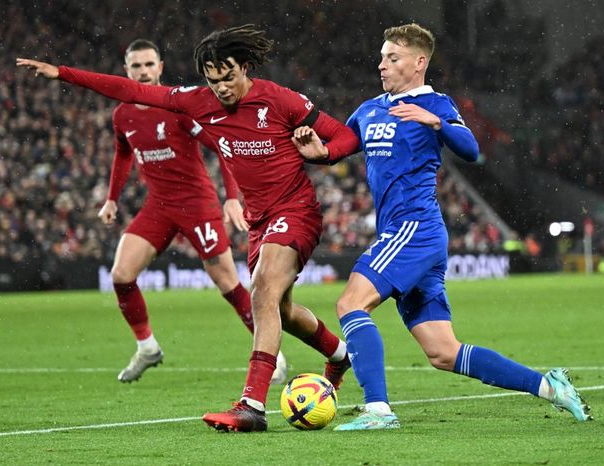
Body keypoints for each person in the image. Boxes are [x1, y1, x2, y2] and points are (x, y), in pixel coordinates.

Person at [18, 24, 359, 433]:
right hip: (259, 221)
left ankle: (252, 405)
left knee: (262, 292)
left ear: (245, 68)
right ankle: (340, 355)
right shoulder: (197, 102)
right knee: (280, 311)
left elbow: (345, 135)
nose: (221, 89)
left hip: (297, 209)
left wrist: (323, 154)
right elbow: (133, 92)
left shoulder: (279, 99)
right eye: (213, 81)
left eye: (228, 78)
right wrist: (65, 73)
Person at [295, 23, 592, 430]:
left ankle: (378, 410)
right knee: (443, 353)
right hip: (406, 236)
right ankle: (548, 386)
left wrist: (435, 122)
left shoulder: (437, 104)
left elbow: (471, 150)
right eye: (382, 56)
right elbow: (342, 147)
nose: (381, 64)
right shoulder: (369, 110)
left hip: (414, 229)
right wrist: (319, 151)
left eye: (392, 58)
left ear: (419, 63)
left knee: (350, 304)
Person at [97, 38, 287, 385]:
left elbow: (221, 144)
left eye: (149, 64)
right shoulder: (122, 114)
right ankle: (148, 347)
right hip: (158, 204)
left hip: (197, 203)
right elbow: (123, 153)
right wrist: (112, 198)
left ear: (160, 68)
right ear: (126, 70)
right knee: (121, 275)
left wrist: (232, 197)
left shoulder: (177, 107)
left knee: (227, 281)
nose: (143, 71)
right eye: (136, 65)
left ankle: (273, 355)